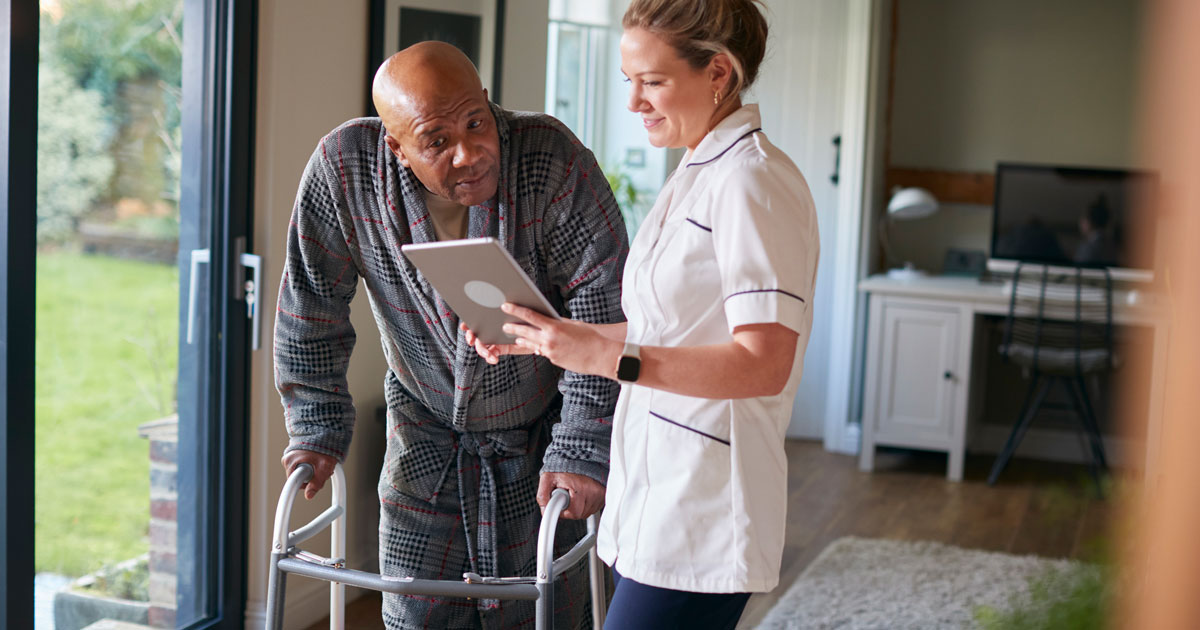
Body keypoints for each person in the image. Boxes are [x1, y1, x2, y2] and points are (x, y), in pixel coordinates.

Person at [465, 1, 819, 627]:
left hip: (704, 507)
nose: (634, 102)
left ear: (718, 73)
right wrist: (552, 338)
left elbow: (765, 363)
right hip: (655, 496)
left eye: (651, 81)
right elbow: (671, 330)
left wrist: (602, 356)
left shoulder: (751, 183)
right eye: (629, 81)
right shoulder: (695, 173)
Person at [273, 42, 628, 629]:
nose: (469, 152)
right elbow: (311, 302)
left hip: (544, 437)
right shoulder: (345, 169)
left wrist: (584, 446)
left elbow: (603, 309)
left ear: (489, 103)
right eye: (437, 141)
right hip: (423, 430)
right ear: (396, 148)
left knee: (547, 611)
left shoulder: (550, 159)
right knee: (415, 611)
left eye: (476, 122)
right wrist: (315, 425)